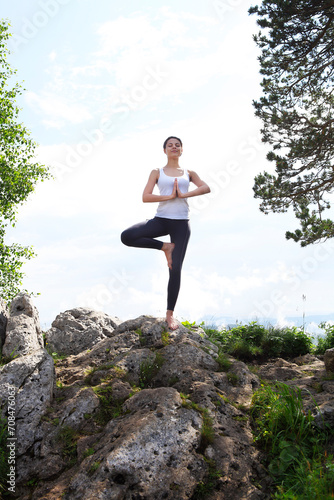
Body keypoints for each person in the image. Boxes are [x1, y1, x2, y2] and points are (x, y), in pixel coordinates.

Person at [121, 136, 210, 330]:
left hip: (181, 224)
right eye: (170, 145)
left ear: (182, 150)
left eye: (177, 145)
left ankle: (170, 315)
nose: (174, 147)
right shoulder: (157, 172)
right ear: (165, 150)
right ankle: (165, 247)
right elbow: (145, 196)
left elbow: (206, 187)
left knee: (175, 269)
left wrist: (183, 195)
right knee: (127, 236)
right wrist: (169, 196)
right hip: (161, 220)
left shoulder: (189, 172)